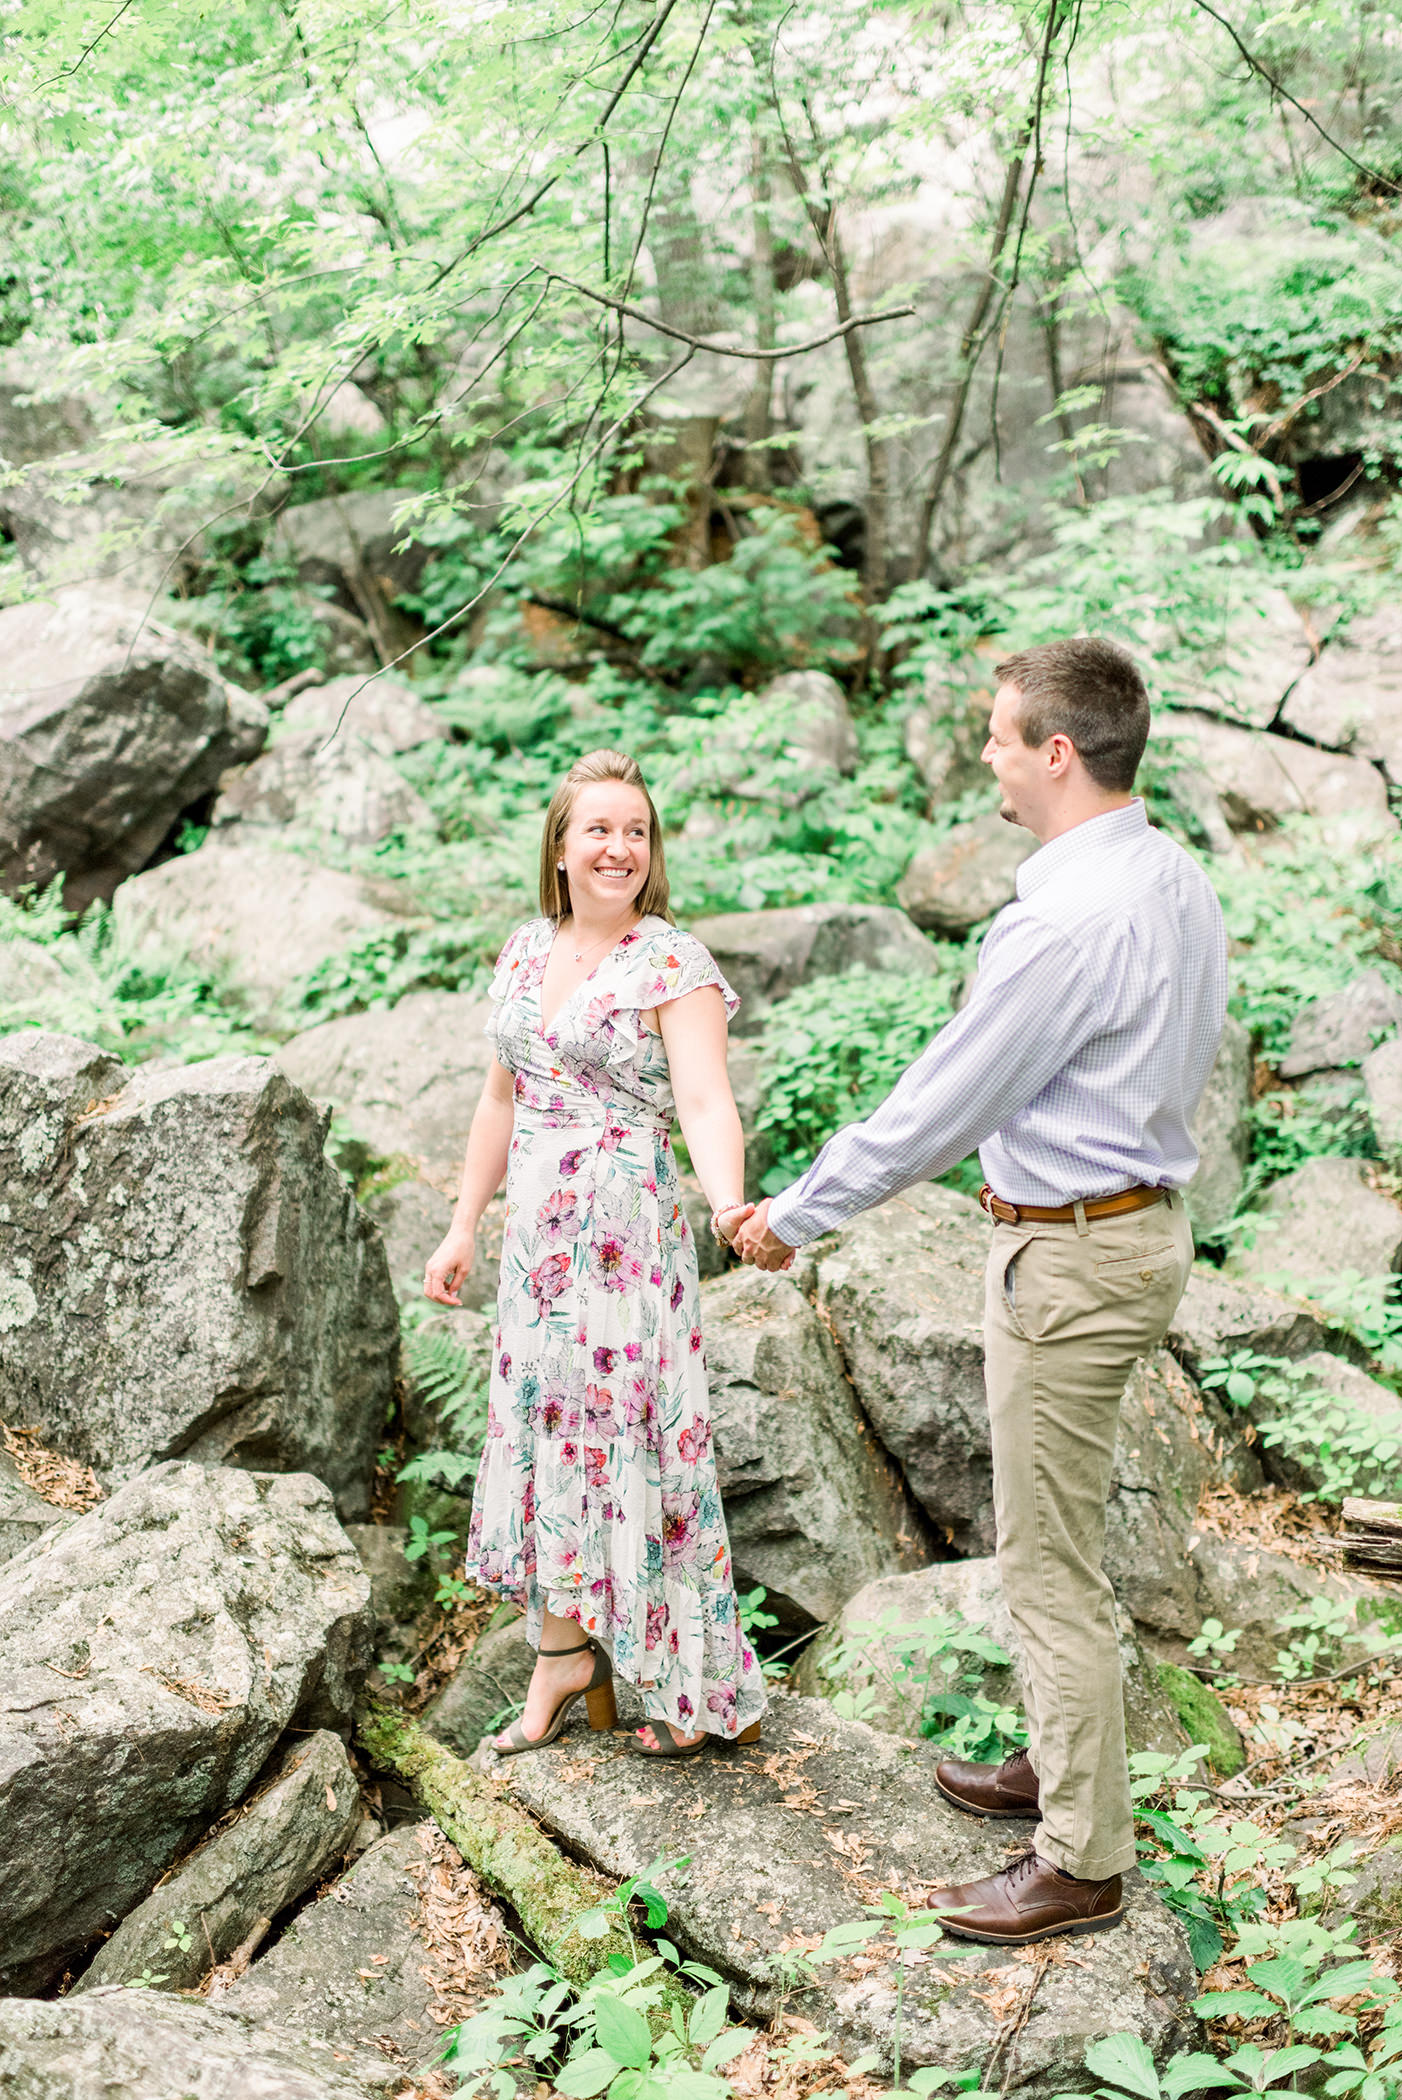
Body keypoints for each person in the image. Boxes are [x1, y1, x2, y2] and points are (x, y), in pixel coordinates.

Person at [734, 636, 1227, 1944]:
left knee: (1043, 1562)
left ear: (1056, 752)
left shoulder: (1062, 920)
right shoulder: (1167, 872)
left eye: (1002, 739)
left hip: (1069, 1258)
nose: (989, 760)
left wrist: (794, 1216)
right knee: (1059, 1535)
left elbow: (939, 1104)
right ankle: (1067, 1773)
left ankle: (1080, 1858)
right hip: (1130, 1234)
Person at [424, 747, 767, 1759]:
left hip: (625, 1241)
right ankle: (563, 1656)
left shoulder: (672, 960)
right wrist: (460, 1224)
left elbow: (704, 1098)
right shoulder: (524, 952)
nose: (619, 847)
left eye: (636, 831)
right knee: (549, 1443)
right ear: (562, 849)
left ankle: (679, 1676)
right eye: (599, 830)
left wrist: (730, 1203)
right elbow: (501, 1098)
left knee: (638, 1442)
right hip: (537, 1244)